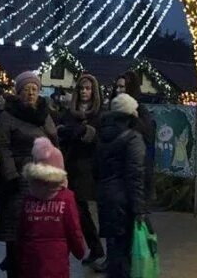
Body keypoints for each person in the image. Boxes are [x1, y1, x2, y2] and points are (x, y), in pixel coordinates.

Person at [0, 71, 58, 277]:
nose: (30, 93)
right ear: (19, 92)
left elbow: (55, 143)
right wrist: (11, 175)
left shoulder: (44, 115)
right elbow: (3, 146)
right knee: (15, 230)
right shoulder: (8, 115)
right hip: (16, 178)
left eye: (34, 89)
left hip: (40, 179)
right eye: (26, 89)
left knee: (37, 230)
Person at [18, 137, 87, 278]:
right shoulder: (66, 198)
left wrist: (18, 255)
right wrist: (79, 251)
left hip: (31, 261)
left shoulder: (29, 198)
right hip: (57, 261)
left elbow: (21, 231)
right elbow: (73, 228)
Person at [96, 93, 148, 278]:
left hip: (106, 197)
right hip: (124, 201)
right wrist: (139, 208)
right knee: (125, 253)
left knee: (114, 251)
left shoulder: (102, 134)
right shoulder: (133, 138)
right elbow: (135, 175)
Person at [58, 73, 106, 267]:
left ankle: (98, 249)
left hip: (91, 166)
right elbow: (62, 131)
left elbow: (95, 137)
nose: (85, 92)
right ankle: (94, 248)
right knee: (78, 210)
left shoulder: (100, 113)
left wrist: (79, 132)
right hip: (72, 165)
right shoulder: (71, 112)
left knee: (84, 209)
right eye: (82, 88)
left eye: (88, 89)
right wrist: (77, 132)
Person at [111, 70, 157, 203]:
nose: (119, 90)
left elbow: (147, 135)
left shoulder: (140, 110)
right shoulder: (110, 109)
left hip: (134, 170)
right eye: (117, 87)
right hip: (115, 170)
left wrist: (134, 118)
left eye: (122, 87)